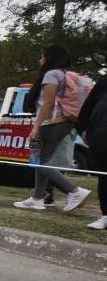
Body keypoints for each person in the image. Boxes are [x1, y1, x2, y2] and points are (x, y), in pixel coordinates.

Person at [12, 46, 91, 212]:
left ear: (49, 58)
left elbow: (48, 102)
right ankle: (38, 198)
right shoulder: (65, 74)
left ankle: (75, 191)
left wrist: (36, 125)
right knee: (43, 160)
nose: (40, 60)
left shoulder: (51, 74)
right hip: (64, 121)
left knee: (39, 161)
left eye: (42, 57)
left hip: (53, 122)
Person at [77, 75, 107, 229]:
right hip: (101, 136)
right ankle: (106, 215)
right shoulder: (104, 82)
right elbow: (88, 106)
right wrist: (83, 128)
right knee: (104, 177)